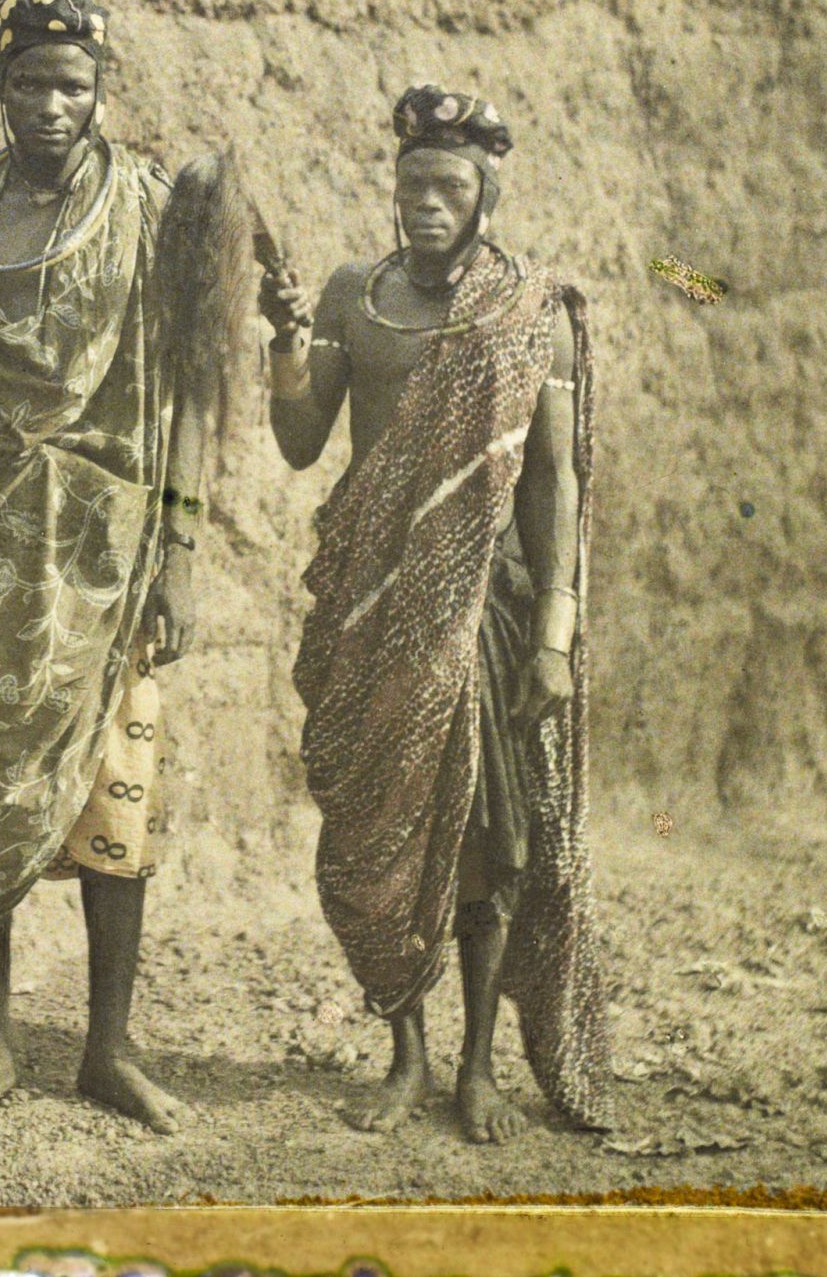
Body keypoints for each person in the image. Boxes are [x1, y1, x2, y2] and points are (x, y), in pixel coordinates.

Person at [260, 84, 613, 1144]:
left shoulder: (527, 316)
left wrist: (553, 636)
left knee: (492, 842)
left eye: (447, 186)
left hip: (487, 612)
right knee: (380, 835)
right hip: (373, 610)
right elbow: (296, 440)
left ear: (481, 198)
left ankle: (474, 1066)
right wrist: (284, 343)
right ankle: (405, 1054)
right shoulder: (349, 299)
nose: (424, 201)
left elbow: (555, 490)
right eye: (411, 182)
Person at [0, 0, 205, 1133]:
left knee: (111, 802)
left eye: (70, 85)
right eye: (28, 82)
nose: (48, 104)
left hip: (107, 545)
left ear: (99, 93)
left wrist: (177, 544)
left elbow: (185, 394)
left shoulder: (148, 204)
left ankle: (106, 1048)